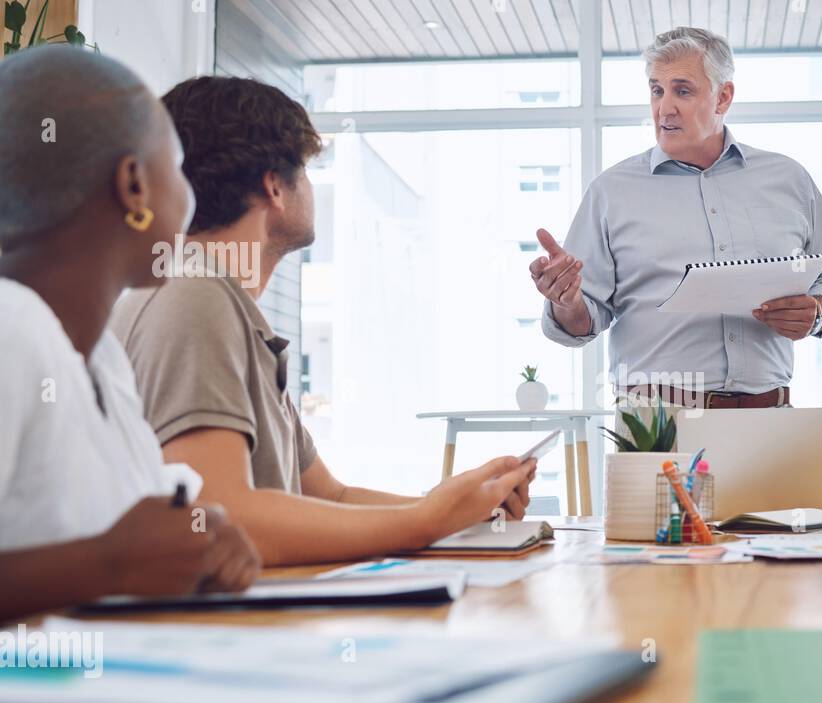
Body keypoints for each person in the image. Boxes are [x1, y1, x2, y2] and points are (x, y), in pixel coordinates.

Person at [110, 76, 534, 567]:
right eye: (306, 171)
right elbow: (217, 516)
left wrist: (457, 512)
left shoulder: (220, 306)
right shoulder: (195, 298)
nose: (310, 185)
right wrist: (426, 521)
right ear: (275, 187)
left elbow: (330, 499)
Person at [0, 46, 259, 619]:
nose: (192, 202)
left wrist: (200, 543)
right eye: (180, 166)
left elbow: (139, 530)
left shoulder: (103, 361)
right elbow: (110, 558)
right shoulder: (10, 329)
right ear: (135, 185)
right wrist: (105, 565)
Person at [531, 26, 822, 411]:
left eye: (683, 90)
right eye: (656, 90)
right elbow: (583, 320)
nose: (665, 108)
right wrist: (566, 301)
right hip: (657, 421)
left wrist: (817, 313)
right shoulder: (611, 192)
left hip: (770, 418)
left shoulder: (789, 180)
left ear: (724, 97)